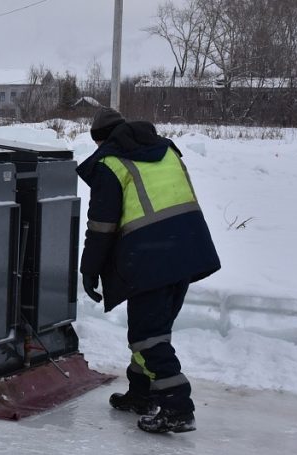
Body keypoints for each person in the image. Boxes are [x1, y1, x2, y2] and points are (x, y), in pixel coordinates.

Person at [77, 107, 221, 434]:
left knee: (147, 336)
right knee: (153, 330)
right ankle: (141, 394)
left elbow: (101, 227)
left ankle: (177, 406)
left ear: (101, 140)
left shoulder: (110, 163)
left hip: (152, 258)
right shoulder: (165, 149)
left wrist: (89, 270)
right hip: (187, 250)